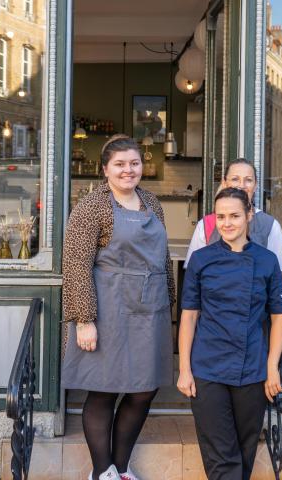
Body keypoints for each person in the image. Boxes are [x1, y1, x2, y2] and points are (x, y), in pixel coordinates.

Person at [61, 134, 175, 480]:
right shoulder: (92, 206)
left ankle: (120, 468)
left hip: (149, 309)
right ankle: (103, 472)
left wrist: (168, 303)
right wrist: (84, 319)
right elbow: (77, 263)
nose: (129, 170)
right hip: (107, 308)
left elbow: (163, 258)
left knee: (144, 389)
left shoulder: (151, 203)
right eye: (120, 164)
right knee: (104, 389)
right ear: (105, 169)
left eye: (135, 163)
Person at [177, 187, 282, 480]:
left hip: (252, 369)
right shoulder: (201, 260)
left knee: (244, 450)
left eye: (235, 216)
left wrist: (272, 367)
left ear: (249, 215)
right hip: (208, 367)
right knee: (221, 457)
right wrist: (184, 369)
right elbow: (188, 317)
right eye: (221, 216)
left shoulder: (267, 260)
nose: (227, 223)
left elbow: (278, 318)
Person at [184, 158, 282, 277]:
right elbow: (193, 274)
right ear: (224, 183)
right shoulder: (205, 225)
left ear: (255, 186)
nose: (241, 186)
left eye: (248, 180)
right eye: (235, 179)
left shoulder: (270, 226)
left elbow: (278, 279)